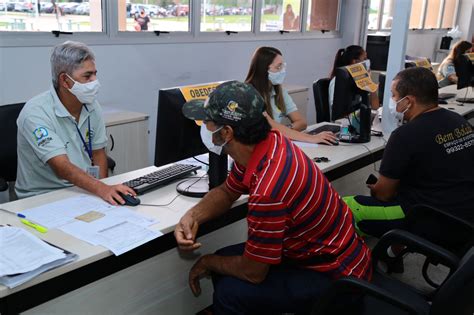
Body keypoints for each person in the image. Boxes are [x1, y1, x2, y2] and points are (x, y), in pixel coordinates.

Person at [175, 81, 372, 314]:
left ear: (226, 132)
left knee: (229, 290)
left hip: (336, 277)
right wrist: (192, 215)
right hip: (320, 254)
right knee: (224, 260)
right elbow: (228, 191)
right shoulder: (267, 144)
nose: (205, 127)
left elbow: (253, 273)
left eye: (207, 123)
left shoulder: (269, 189)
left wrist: (205, 262)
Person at [343, 67, 474, 239]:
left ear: (409, 101)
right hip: (465, 212)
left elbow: (384, 195)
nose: (391, 101)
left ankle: (355, 259)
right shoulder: (460, 122)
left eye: (394, 95)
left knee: (344, 206)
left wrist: (375, 188)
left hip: (429, 216)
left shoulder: (405, 135)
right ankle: (391, 253)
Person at [15, 41, 136, 204]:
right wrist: (101, 189)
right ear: (65, 80)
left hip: (83, 189)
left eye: (95, 74)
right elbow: (61, 167)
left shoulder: (91, 106)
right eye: (87, 76)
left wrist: (105, 192)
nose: (95, 81)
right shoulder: (35, 113)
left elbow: (98, 152)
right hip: (42, 197)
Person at [245, 46, 338, 145]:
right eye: (278, 67)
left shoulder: (278, 90)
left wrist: (287, 130)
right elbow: (270, 126)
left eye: (283, 66)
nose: (282, 71)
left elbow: (301, 122)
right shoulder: (249, 94)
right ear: (263, 69)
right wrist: (312, 138)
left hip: (272, 143)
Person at [328, 45, 380, 121]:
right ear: (355, 62)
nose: (368, 61)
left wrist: (369, 83)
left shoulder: (361, 80)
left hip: (358, 121)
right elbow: (339, 114)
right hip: (343, 124)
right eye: (364, 59)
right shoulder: (337, 82)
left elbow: (375, 107)